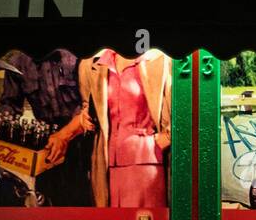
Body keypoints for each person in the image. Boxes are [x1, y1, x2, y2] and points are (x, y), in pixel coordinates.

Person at [48, 48, 172, 208]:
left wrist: (161, 141)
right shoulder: (92, 63)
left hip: (146, 164)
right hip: (105, 164)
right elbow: (90, 112)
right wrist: (68, 132)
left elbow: (184, 113)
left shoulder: (159, 60)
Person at [0, 48, 94, 207]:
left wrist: (65, 135)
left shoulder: (77, 56)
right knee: (49, 205)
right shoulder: (17, 63)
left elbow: (90, 104)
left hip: (83, 142)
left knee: (84, 203)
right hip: (47, 148)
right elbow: (9, 106)